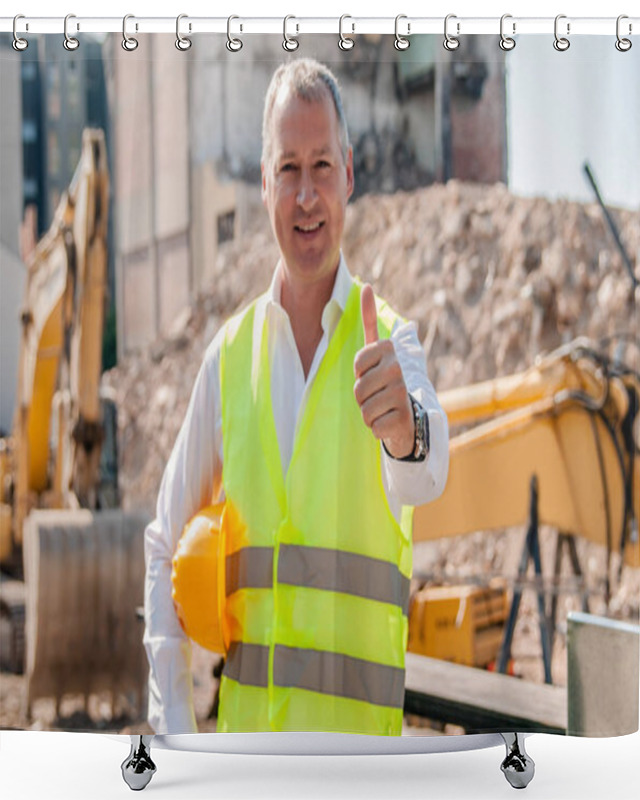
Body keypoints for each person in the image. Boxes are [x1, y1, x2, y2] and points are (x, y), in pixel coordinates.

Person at [143, 58, 448, 736]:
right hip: (248, 765)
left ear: (349, 175)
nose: (306, 196)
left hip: (361, 773)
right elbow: (164, 539)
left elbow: (429, 473)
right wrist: (175, 728)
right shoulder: (228, 358)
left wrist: (405, 432)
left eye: (320, 168)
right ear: (263, 183)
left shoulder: (391, 344)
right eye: (288, 170)